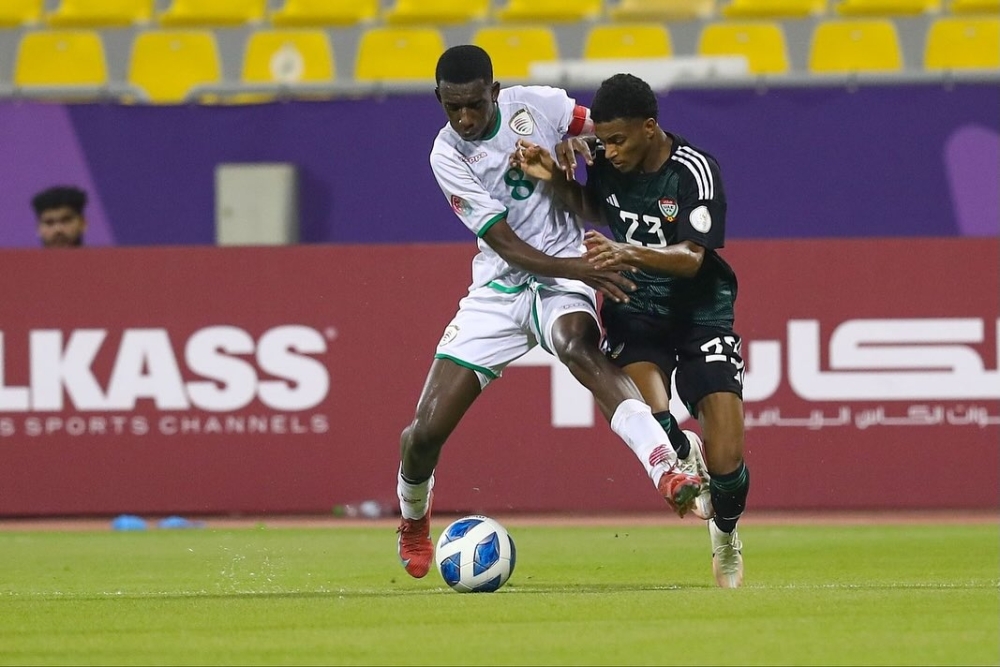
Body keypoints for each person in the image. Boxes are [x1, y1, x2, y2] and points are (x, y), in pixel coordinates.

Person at [395, 46, 710, 580]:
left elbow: (610, 130)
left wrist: (583, 141)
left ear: (495, 92)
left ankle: (666, 467)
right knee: (423, 433)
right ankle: (413, 520)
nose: (466, 118)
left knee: (577, 346)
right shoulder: (446, 154)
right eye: (454, 108)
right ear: (440, 101)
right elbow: (507, 245)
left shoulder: (538, 105)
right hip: (500, 286)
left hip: (563, 279)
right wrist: (581, 270)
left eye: (475, 104)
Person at [510, 73, 750, 588]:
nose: (609, 148)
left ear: (649, 127)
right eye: (603, 137)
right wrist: (552, 178)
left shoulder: (694, 170)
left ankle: (726, 535)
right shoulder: (601, 157)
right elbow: (600, 209)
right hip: (634, 306)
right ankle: (680, 453)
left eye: (618, 139)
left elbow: (691, 258)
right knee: (652, 421)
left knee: (728, 460)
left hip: (700, 310)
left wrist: (626, 252)